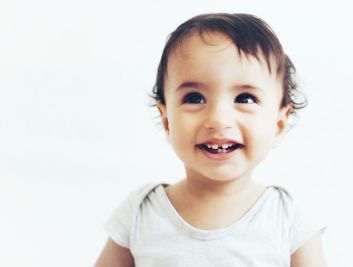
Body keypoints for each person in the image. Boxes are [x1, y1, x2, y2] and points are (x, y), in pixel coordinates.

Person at [94, 13, 327, 267]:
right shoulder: (141, 214)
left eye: (245, 98)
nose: (218, 119)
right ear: (167, 120)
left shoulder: (289, 220)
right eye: (194, 98)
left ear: (278, 125)